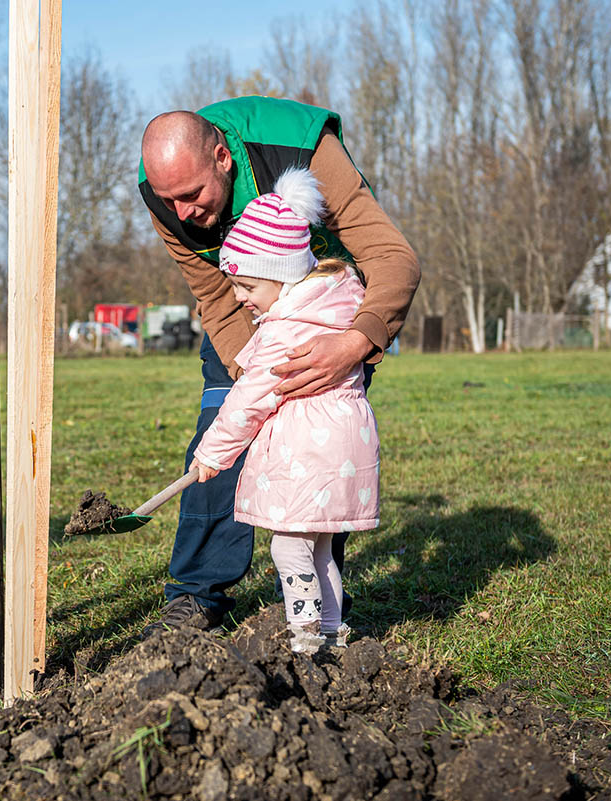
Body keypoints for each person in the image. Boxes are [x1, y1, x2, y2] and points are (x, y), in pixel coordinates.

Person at [137, 96, 418, 639]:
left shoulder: (302, 151)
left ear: (222, 157)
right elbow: (215, 294)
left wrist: (355, 342)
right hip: (251, 313)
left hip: (333, 312)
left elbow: (393, 258)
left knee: (321, 447)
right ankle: (197, 594)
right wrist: (258, 382)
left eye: (192, 195)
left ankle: (316, 597)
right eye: (170, 201)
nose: (183, 214)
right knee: (220, 428)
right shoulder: (165, 191)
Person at [189, 167, 379, 653]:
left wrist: (213, 454)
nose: (239, 298)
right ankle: (334, 634)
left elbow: (249, 400)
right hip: (343, 452)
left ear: (279, 274)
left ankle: (304, 640)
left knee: (289, 547)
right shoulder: (335, 304)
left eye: (247, 287)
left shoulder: (284, 332)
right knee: (319, 553)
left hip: (306, 454)